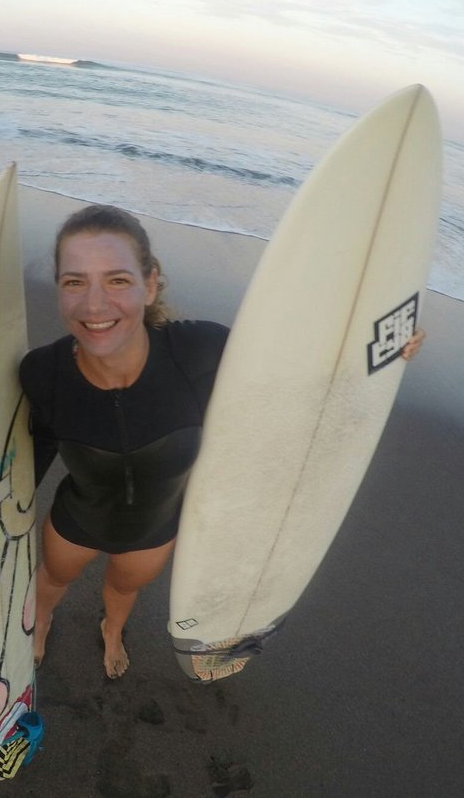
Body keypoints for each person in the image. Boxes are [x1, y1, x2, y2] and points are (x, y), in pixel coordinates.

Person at [21, 205, 424, 679]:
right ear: (59, 288)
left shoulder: (201, 352)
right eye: (74, 281)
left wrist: (375, 353)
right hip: (75, 521)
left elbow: (292, 371)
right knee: (52, 579)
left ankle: (112, 631)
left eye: (116, 280)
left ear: (150, 284)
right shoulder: (43, 372)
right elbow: (33, 454)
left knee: (124, 591)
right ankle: (41, 620)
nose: (94, 304)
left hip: (152, 531)